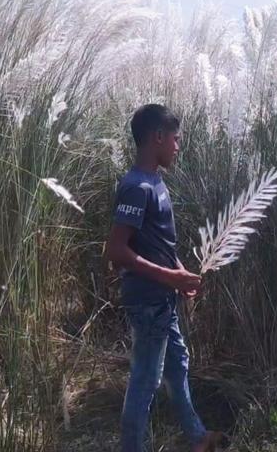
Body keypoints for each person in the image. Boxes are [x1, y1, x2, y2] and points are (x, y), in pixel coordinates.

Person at [105, 104, 224, 452]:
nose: (178, 146)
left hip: (162, 297)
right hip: (148, 298)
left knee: (176, 364)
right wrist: (170, 277)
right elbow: (116, 250)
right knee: (145, 379)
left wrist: (179, 273)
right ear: (157, 137)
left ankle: (198, 437)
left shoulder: (155, 181)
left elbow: (159, 241)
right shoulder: (136, 187)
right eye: (175, 138)